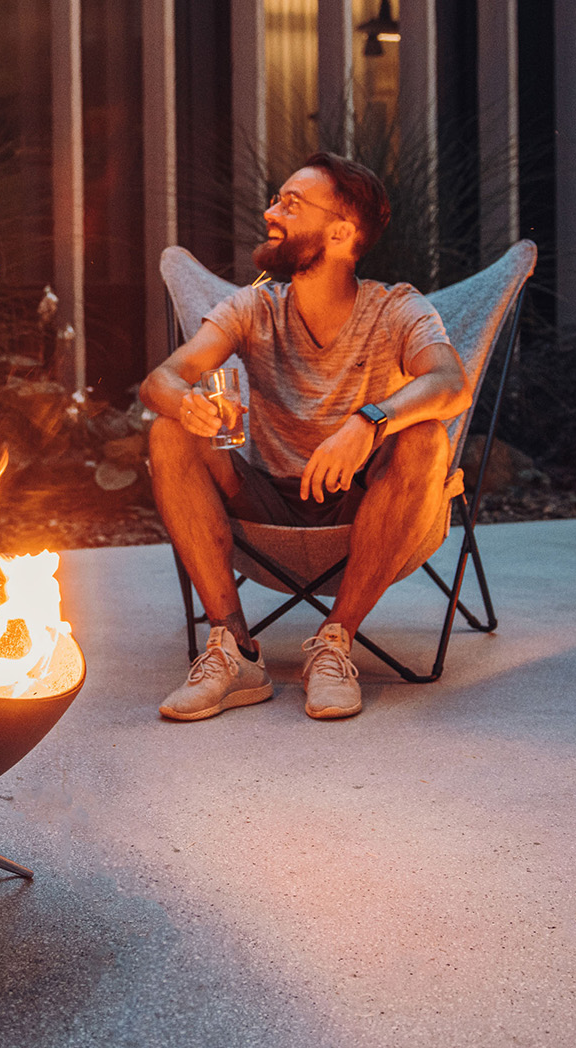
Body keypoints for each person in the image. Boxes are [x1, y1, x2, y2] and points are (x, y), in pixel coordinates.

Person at [141, 152, 472, 722]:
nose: (272, 212)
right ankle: (233, 648)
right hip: (266, 499)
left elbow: (451, 383)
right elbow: (161, 380)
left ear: (342, 234)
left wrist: (368, 422)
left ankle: (335, 641)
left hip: (364, 505)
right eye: (276, 199)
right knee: (169, 433)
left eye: (291, 204)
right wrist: (188, 405)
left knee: (427, 441)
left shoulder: (397, 308)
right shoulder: (254, 307)